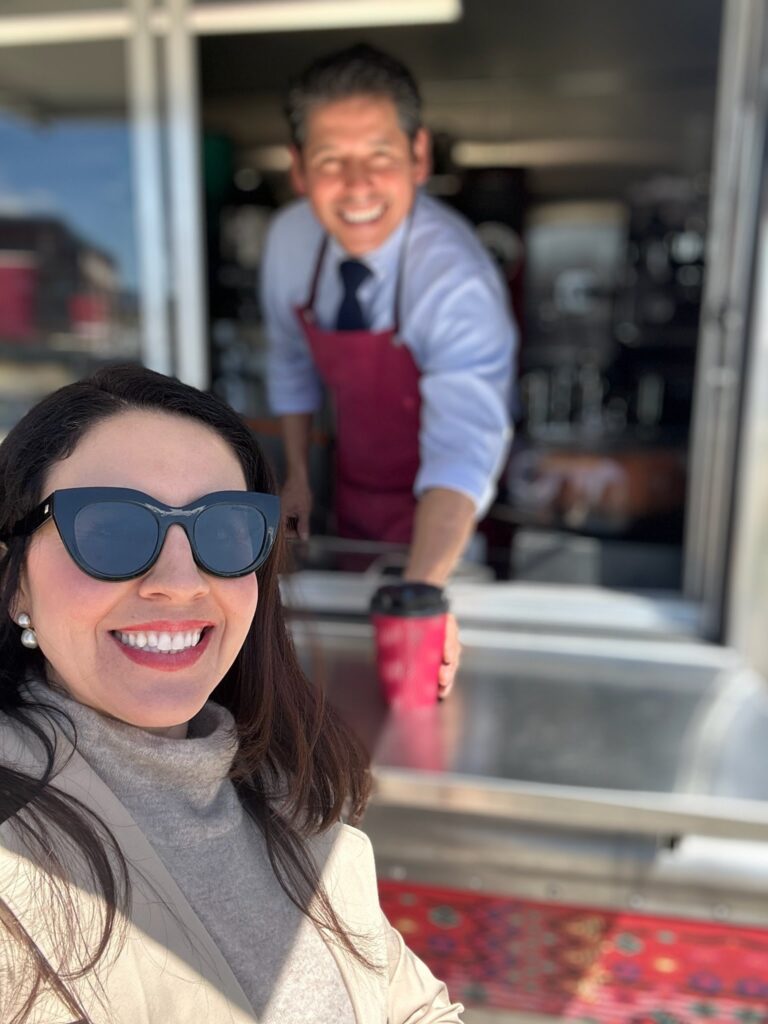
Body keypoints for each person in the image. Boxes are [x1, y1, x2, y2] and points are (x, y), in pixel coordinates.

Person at [0, 364, 464, 1024]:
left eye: (224, 529)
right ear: (14, 578)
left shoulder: (284, 789)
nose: (182, 581)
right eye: (110, 530)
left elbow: (411, 1006)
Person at [261, 44, 517, 696]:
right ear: (297, 169)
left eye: (379, 156)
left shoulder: (455, 277)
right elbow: (291, 359)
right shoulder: (290, 242)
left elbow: (463, 448)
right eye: (330, 161)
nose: (356, 187)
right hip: (354, 491)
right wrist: (296, 476)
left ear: (418, 157)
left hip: (449, 516)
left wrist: (425, 590)